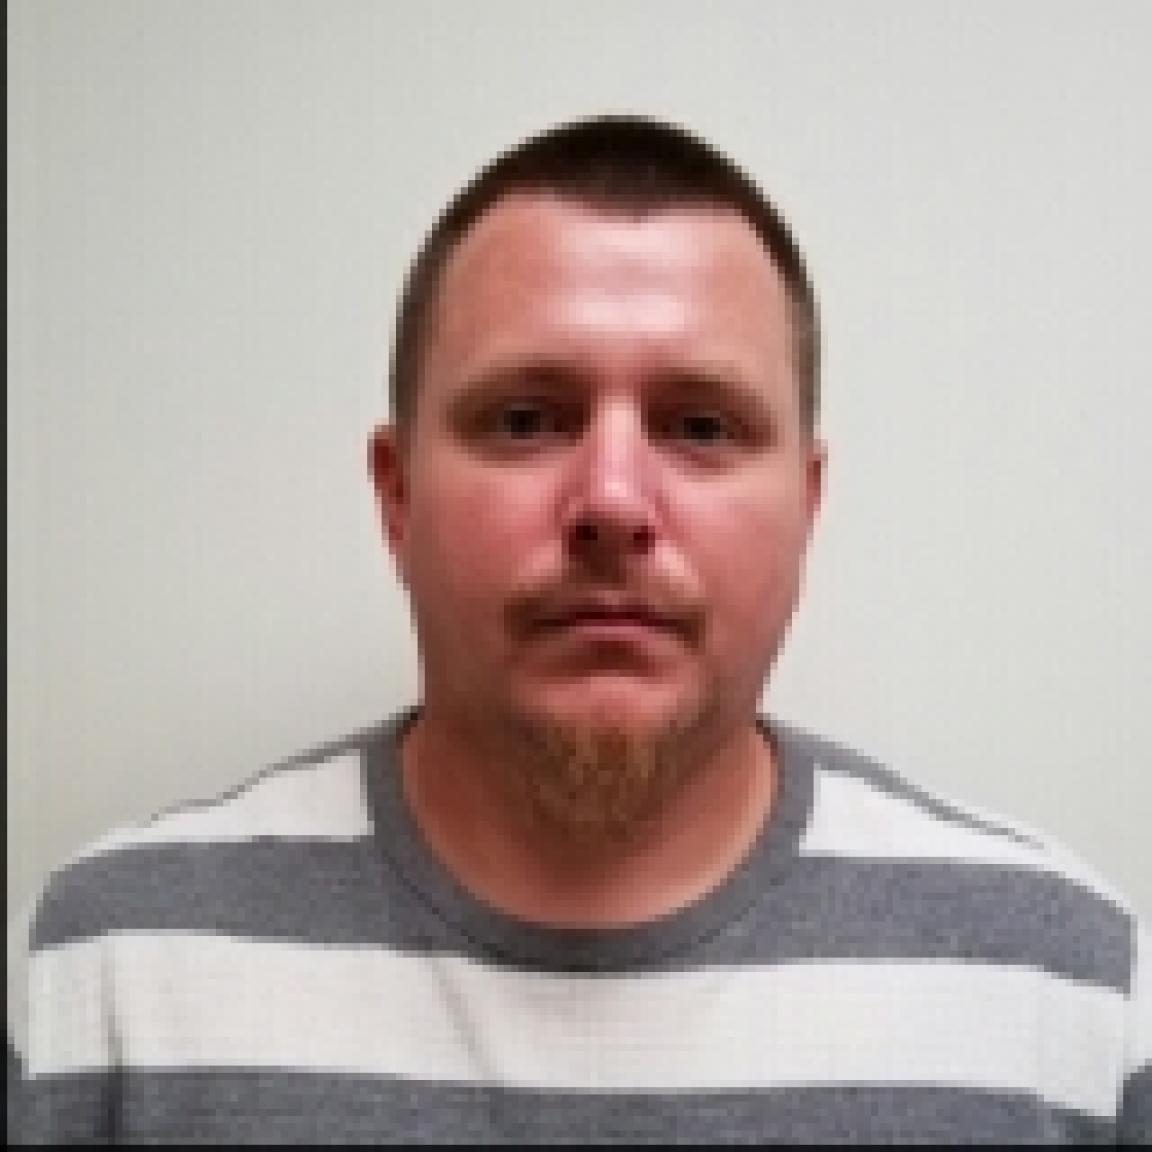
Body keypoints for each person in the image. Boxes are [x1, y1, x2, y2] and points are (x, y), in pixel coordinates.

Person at [9, 115, 1149, 1145]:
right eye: (524, 420)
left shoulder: (1066, 993)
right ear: (396, 496)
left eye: (701, 425)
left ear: (807, 506)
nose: (610, 499)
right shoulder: (115, 978)